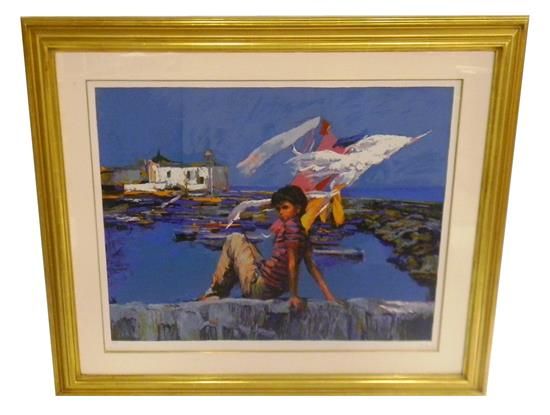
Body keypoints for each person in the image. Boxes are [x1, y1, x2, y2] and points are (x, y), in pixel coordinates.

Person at [199, 185, 337, 311]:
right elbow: (312, 267)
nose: (281, 212)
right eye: (278, 209)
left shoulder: (291, 230)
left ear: (298, 208)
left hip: (261, 289)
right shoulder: (302, 233)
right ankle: (219, 291)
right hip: (274, 289)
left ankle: (215, 293)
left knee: (234, 239)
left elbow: (292, 264)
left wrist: (294, 296)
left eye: (285, 207)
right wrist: (329, 297)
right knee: (248, 246)